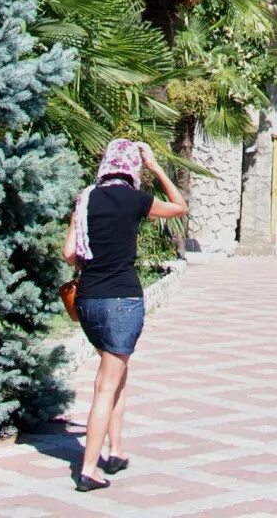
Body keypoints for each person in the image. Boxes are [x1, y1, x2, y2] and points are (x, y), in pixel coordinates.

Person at [64, 138, 186, 492]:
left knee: (117, 375)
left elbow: (70, 253)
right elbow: (180, 208)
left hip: (89, 301)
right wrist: (158, 168)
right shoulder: (135, 200)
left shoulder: (85, 199)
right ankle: (88, 470)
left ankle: (116, 450)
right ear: (132, 166)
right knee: (105, 384)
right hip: (121, 301)